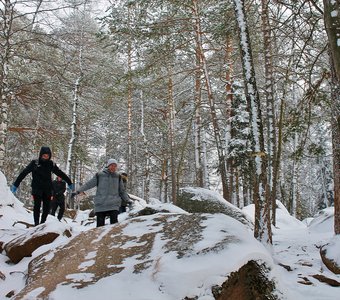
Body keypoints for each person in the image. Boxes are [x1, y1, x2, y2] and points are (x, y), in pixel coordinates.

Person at [10, 146, 73, 226]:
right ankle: (36, 223)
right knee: (37, 206)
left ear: (50, 156)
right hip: (37, 188)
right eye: (44, 155)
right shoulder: (35, 163)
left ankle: (42, 223)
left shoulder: (51, 164)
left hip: (47, 189)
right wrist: (16, 184)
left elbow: (60, 173)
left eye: (47, 156)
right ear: (41, 155)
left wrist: (69, 182)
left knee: (46, 208)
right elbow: (24, 173)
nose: (46, 157)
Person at [72, 158, 129, 227]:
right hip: (101, 204)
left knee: (114, 227)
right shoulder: (100, 175)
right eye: (112, 165)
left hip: (113, 204)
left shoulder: (118, 177)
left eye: (115, 166)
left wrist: (127, 200)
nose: (113, 167)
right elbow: (89, 184)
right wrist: (78, 191)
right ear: (108, 165)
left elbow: (122, 191)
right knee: (100, 228)